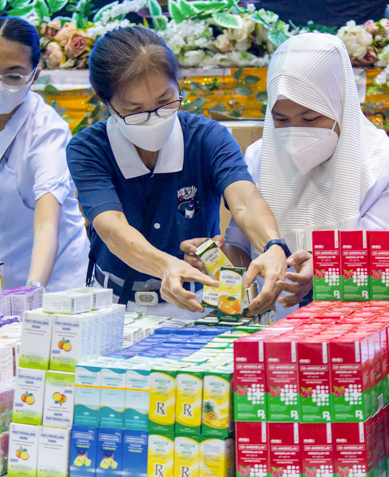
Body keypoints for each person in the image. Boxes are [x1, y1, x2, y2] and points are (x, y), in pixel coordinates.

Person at [66, 26, 290, 320]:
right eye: (135, 111)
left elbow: (245, 201)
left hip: (198, 302)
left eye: (165, 102)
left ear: (178, 85)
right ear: (104, 101)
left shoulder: (207, 137)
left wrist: (273, 246)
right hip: (115, 304)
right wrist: (166, 265)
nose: (155, 119)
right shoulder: (89, 148)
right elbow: (113, 230)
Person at [217, 33, 389, 312]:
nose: (295, 130)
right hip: (271, 329)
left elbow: (383, 257)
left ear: (340, 103)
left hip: (357, 324)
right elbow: (243, 248)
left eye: (310, 118)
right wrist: (220, 256)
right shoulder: (258, 157)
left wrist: (326, 266)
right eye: (281, 119)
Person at [0, 17, 89, 290]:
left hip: (59, 281)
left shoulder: (48, 133)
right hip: (7, 268)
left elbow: (47, 226)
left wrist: (32, 291)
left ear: (34, 75)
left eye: (13, 76)